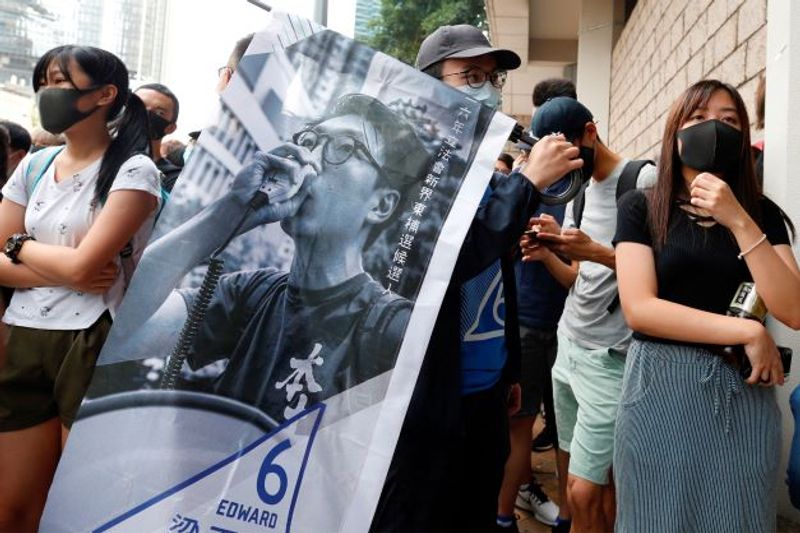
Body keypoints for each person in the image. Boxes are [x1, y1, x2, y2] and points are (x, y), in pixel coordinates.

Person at [100, 93, 432, 423]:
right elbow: (119, 331)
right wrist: (232, 210)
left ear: (381, 205)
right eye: (309, 141)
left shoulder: (395, 329)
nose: (309, 159)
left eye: (345, 147)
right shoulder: (253, 294)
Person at [371, 24, 583, 533]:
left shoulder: (483, 170)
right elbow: (451, 257)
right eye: (470, 76)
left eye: (492, 77)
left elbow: (495, 275)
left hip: (485, 391)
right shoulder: (406, 164)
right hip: (428, 398)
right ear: (428, 86)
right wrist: (527, 181)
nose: (487, 89)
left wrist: (506, 369)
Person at [613, 79, 800, 532]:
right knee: (656, 518)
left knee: (740, 517)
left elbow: (792, 308)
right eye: (698, 117)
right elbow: (640, 309)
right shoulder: (641, 207)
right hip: (660, 388)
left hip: (742, 395)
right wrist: (747, 331)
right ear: (675, 134)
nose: (714, 127)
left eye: (729, 120)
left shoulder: (763, 215)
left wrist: (738, 219)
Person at [0, 45, 161, 532]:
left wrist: (18, 247)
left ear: (105, 94)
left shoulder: (134, 170)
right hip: (23, 334)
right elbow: (71, 268)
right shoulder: (35, 165)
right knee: (12, 507)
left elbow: (86, 266)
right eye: (44, 82)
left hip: (92, 339)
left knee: (80, 504)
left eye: (60, 81)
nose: (47, 92)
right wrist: (56, 265)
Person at [520, 96, 656, 532]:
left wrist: (595, 251)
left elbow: (662, 271)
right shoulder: (578, 193)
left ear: (590, 133)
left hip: (610, 358)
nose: (563, 169)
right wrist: (549, 252)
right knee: (588, 481)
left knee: (583, 491)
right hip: (570, 345)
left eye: (568, 153)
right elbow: (577, 279)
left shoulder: (643, 180)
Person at [135, 83, 182, 192]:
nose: (145, 113)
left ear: (170, 128)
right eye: (138, 105)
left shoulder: (173, 180)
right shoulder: (101, 156)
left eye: (160, 112)